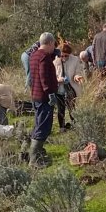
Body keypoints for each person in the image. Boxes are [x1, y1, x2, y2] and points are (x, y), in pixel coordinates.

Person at [29, 32, 59, 167]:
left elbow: (42, 68)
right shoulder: (44, 58)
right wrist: (50, 93)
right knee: (43, 126)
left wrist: (54, 54)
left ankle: (38, 153)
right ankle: (34, 159)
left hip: (36, 95)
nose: (54, 47)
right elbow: (44, 76)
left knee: (38, 123)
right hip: (44, 96)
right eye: (54, 44)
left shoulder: (34, 55)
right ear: (50, 43)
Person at [54, 43, 85, 129]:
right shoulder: (55, 60)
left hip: (71, 88)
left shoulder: (75, 60)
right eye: (62, 56)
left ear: (70, 54)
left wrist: (77, 76)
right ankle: (62, 127)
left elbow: (78, 72)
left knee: (72, 108)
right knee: (61, 109)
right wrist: (58, 79)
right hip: (59, 88)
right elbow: (51, 76)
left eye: (66, 56)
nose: (64, 58)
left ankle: (75, 125)